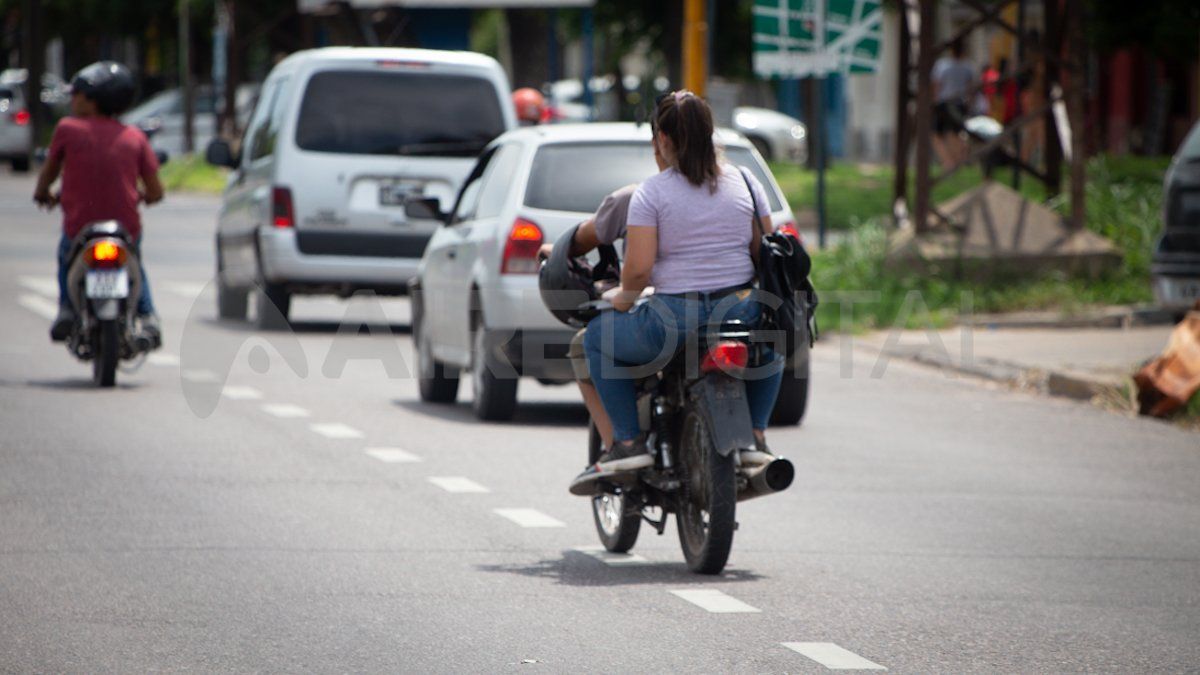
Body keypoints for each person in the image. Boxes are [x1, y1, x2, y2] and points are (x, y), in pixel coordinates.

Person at [569, 90, 784, 495]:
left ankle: (627, 444)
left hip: (673, 320)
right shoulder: (746, 182)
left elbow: (638, 271)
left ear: (663, 139)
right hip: (741, 311)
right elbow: (764, 253)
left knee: (596, 340)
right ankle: (756, 436)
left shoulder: (652, 193)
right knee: (773, 335)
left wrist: (622, 300)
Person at [33, 61, 164, 343]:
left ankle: (67, 310)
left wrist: (42, 193)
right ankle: (148, 316)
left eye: (77, 93)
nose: (73, 99)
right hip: (125, 229)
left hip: (79, 228)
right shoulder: (135, 137)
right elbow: (156, 190)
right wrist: (144, 197)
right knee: (135, 265)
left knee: (65, 257)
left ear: (93, 100)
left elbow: (49, 171)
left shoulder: (67, 129)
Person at [931, 39, 976, 168]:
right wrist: (970, 105)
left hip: (944, 103)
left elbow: (936, 86)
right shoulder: (968, 66)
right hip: (960, 103)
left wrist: (934, 102)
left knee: (937, 135)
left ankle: (949, 161)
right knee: (955, 134)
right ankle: (958, 160)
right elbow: (971, 88)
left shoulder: (942, 65)